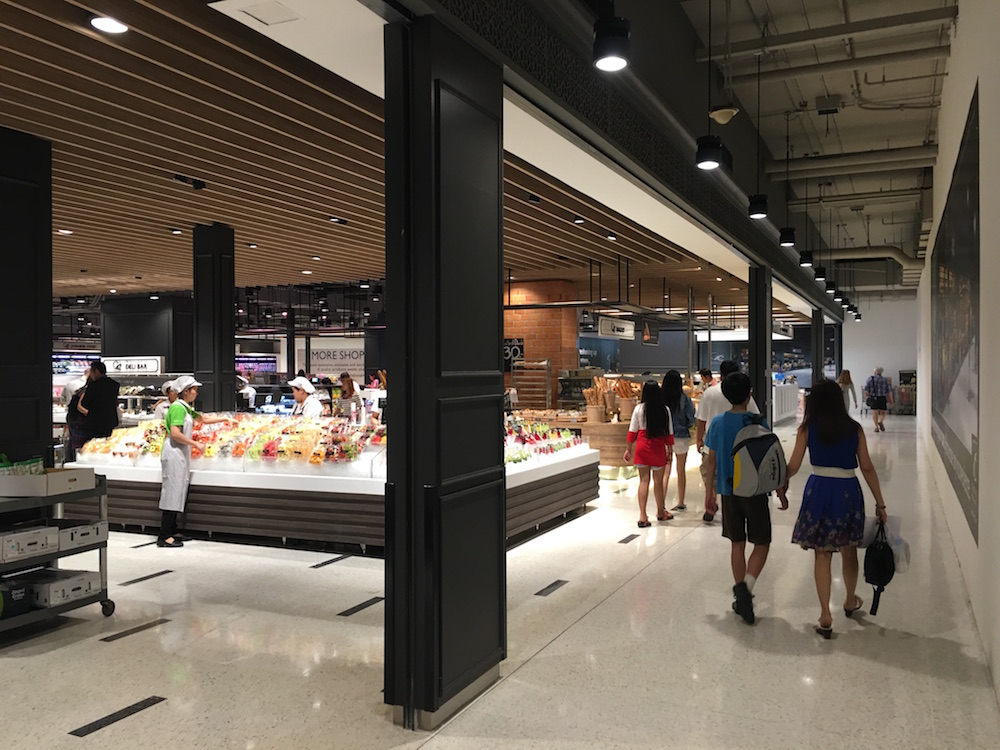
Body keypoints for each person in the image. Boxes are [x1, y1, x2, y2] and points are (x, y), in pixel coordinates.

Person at [785, 379, 889, 639]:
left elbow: (793, 465)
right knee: (849, 549)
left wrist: (779, 483)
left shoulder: (807, 428)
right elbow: (867, 467)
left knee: (822, 553)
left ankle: (825, 615)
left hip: (819, 488)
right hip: (847, 490)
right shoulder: (854, 428)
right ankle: (850, 600)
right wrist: (880, 502)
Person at [704, 373, 789, 625]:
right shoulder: (757, 421)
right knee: (762, 543)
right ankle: (746, 589)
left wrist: (709, 492)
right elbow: (773, 457)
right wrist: (781, 489)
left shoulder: (717, 423)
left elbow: (711, 461)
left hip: (728, 491)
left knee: (737, 543)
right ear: (749, 394)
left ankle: (741, 594)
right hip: (755, 491)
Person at [157, 375, 229, 547]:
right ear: (186, 391)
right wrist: (195, 443)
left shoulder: (184, 407)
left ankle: (173, 530)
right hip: (173, 453)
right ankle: (164, 535)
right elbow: (175, 433)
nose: (196, 392)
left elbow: (202, 419)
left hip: (180, 453)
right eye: (194, 389)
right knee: (172, 492)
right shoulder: (177, 408)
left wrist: (226, 419)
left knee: (178, 490)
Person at [696, 360, 759, 522]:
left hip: (712, 444)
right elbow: (755, 418)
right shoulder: (744, 395)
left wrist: (699, 439)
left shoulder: (710, 393)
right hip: (739, 446)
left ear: (721, 374)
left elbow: (701, 419)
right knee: (735, 478)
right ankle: (734, 509)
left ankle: (711, 503)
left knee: (710, 475)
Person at [623, 381, 674, 527]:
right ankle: (660, 512)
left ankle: (642, 516)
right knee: (658, 483)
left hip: (642, 448)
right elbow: (669, 433)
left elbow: (632, 431)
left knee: (643, 481)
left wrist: (628, 449)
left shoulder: (639, 409)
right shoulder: (665, 410)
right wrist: (670, 451)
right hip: (658, 448)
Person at [662, 370, 696, 512]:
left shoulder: (661, 398)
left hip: (665, 437)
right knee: (681, 471)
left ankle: (661, 503)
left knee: (665, 471)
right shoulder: (685, 399)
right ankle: (681, 502)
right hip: (681, 436)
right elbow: (691, 418)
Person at [77, 360, 120, 441]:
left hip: (95, 423)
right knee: (108, 442)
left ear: (96, 371)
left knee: (95, 444)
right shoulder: (114, 385)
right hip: (110, 421)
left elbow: (84, 403)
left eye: (91, 372)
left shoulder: (93, 386)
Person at [863, 366, 893, 433]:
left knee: (875, 412)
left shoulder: (870, 379)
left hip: (873, 397)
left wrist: (868, 396)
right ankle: (881, 421)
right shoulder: (885, 380)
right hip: (882, 397)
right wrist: (891, 400)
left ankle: (876, 427)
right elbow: (889, 391)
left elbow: (866, 389)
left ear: (875, 372)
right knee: (883, 411)